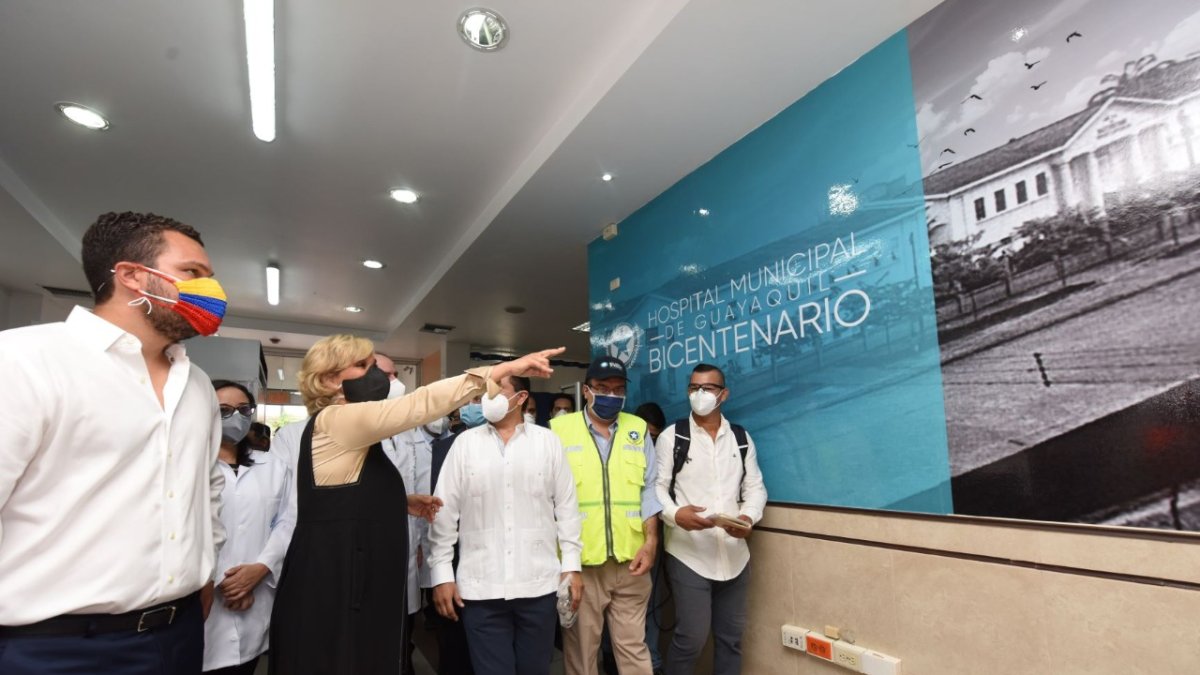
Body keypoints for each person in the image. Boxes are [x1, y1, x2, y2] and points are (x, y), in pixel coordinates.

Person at [0, 211, 227, 674]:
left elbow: (207, 490)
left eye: (211, 277)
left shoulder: (197, 383)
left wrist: (203, 572)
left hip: (179, 634)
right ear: (131, 276)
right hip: (58, 647)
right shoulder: (24, 362)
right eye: (193, 274)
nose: (212, 290)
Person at [269, 335, 563, 675]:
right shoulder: (338, 419)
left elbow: (341, 496)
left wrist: (398, 502)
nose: (383, 378)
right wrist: (502, 370)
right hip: (336, 576)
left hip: (345, 568)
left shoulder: (345, 428)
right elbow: (418, 405)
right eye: (364, 367)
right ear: (330, 380)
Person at [429, 375, 583, 675]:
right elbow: (444, 512)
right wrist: (441, 574)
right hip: (480, 588)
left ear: (522, 397)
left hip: (538, 584)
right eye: (484, 392)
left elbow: (567, 508)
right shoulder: (464, 445)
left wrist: (572, 566)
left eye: (497, 392)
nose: (487, 398)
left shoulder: (547, 442)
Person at [654, 364, 767, 675]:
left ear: (723, 394)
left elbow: (755, 487)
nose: (699, 395)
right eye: (694, 388)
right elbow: (656, 489)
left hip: (734, 556)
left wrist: (747, 517)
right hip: (689, 554)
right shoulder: (672, 437)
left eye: (708, 388)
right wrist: (676, 515)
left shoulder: (741, 439)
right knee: (690, 638)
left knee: (730, 640)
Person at [551, 357, 661, 675]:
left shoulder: (637, 430)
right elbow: (549, 499)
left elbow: (648, 490)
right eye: (602, 388)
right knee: (582, 654)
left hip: (632, 562)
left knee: (634, 650)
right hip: (583, 564)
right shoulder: (559, 431)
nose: (610, 395)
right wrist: (564, 566)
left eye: (617, 389)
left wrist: (651, 540)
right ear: (587, 391)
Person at [204, 381, 295, 675]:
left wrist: (261, 567)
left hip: (257, 597)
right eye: (224, 410)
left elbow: (289, 521)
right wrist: (227, 582)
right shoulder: (189, 465)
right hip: (206, 600)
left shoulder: (273, 465)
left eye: (244, 410)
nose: (236, 417)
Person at [601, 401, 670, 675]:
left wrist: (652, 540)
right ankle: (609, 658)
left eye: (655, 437)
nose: (649, 442)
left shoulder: (658, 457)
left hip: (647, 547)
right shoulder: (615, 452)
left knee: (650, 611)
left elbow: (653, 493)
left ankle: (652, 662)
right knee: (604, 621)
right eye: (647, 436)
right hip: (607, 551)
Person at [424, 396, 487, 675]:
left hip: (505, 573)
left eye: (483, 398)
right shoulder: (446, 448)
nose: (477, 404)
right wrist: (444, 575)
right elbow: (441, 515)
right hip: (458, 562)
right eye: (472, 400)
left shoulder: (535, 446)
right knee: (456, 645)